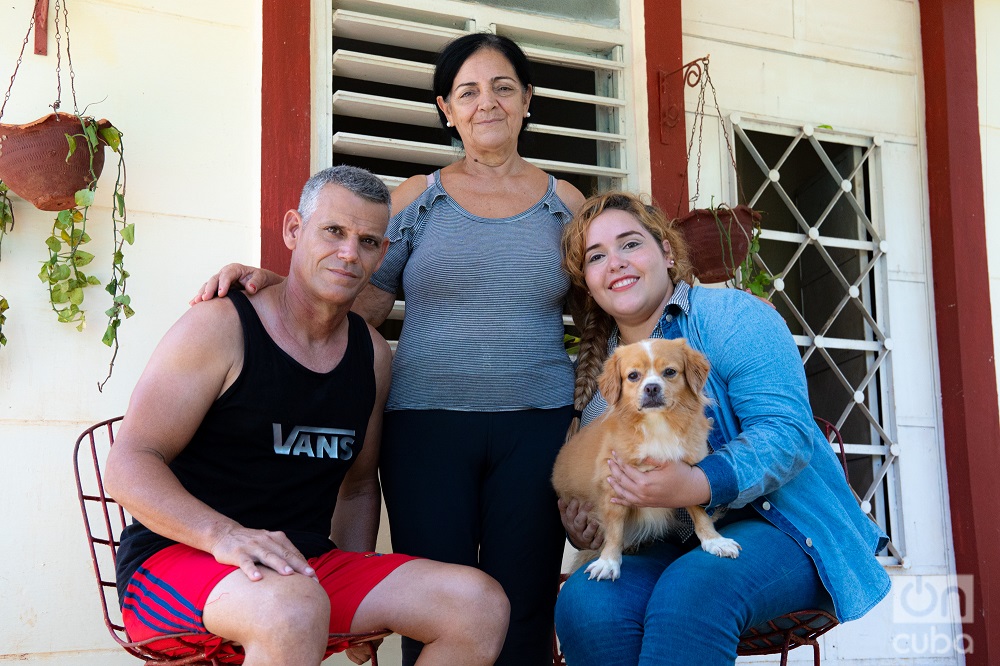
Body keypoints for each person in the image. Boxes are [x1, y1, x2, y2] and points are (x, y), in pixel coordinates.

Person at [192, 33, 585, 665]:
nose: (488, 102)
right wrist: (273, 283)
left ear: (528, 101)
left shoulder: (566, 206)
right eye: (468, 91)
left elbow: (601, 319)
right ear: (445, 109)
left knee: (528, 601)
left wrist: (585, 421)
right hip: (425, 426)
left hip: (536, 425)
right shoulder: (413, 200)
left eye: (504, 87)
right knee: (434, 604)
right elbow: (352, 295)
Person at [104, 166, 509, 666]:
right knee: (292, 606)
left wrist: (361, 579)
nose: (348, 253)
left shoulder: (372, 355)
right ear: (294, 230)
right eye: (333, 232)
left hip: (306, 568)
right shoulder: (220, 326)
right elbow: (128, 463)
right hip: (179, 560)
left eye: (366, 241)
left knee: (476, 605)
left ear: (382, 255)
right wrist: (224, 535)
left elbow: (358, 486)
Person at [553, 191, 890, 666]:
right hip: (664, 541)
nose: (615, 263)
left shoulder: (733, 318)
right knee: (588, 604)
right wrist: (588, 519)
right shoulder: (602, 379)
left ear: (666, 253)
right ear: (588, 282)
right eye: (596, 256)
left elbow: (784, 432)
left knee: (694, 590)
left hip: (780, 523)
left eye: (630, 244)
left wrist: (697, 482)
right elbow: (604, 490)